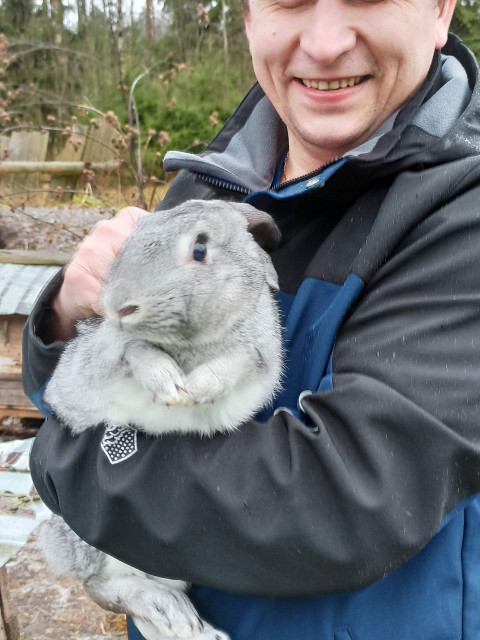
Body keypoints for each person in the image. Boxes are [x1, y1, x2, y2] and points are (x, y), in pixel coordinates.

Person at [22, 0, 480, 637]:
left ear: (439, 11)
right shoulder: (209, 185)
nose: (322, 43)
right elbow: (70, 377)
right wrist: (67, 318)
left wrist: (67, 454)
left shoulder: (462, 220)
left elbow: (337, 500)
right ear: (247, 18)